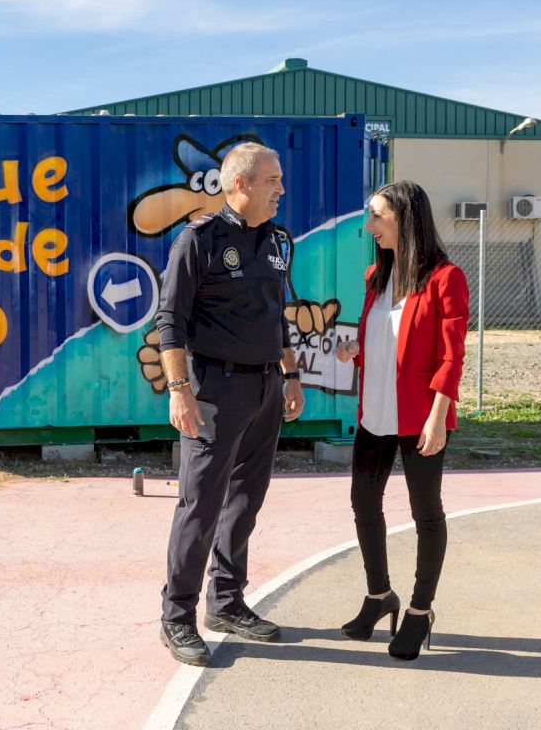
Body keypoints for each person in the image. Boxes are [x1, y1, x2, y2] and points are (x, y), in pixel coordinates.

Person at [155, 141, 306, 666]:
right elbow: (170, 321)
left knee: (245, 501)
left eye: (280, 179)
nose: (281, 189)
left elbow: (277, 315)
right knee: (200, 505)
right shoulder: (198, 241)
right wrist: (180, 390)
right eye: (272, 180)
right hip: (215, 392)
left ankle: (225, 603)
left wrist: (290, 376)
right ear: (240, 183)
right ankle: (177, 617)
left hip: (265, 389)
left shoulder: (277, 241)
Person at [335, 180, 469, 661]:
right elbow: (385, 342)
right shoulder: (376, 275)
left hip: (420, 418)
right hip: (374, 415)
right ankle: (379, 596)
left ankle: (419, 610)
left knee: (425, 514)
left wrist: (438, 417)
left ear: (405, 219)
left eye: (377, 215)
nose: (369, 224)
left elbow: (451, 357)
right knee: (363, 504)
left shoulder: (446, 278)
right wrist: (355, 351)